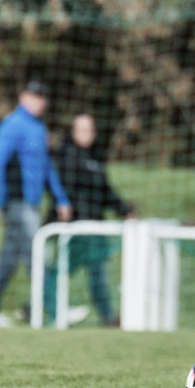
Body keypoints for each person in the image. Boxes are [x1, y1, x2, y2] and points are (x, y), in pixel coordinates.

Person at [0, 80, 72, 324]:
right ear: (23, 97)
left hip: (32, 204)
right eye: (35, 96)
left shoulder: (38, 129)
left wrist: (60, 197)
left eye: (43, 97)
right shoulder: (12, 126)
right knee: (38, 255)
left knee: (8, 260)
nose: (40, 102)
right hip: (16, 203)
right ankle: (55, 311)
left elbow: (45, 166)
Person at [43, 112, 132, 327]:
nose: (87, 133)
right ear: (72, 132)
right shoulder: (64, 156)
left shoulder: (95, 157)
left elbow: (104, 191)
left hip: (94, 227)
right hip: (75, 229)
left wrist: (124, 209)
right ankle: (39, 305)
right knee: (61, 272)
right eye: (82, 129)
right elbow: (58, 189)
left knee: (97, 274)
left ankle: (107, 317)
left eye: (90, 129)